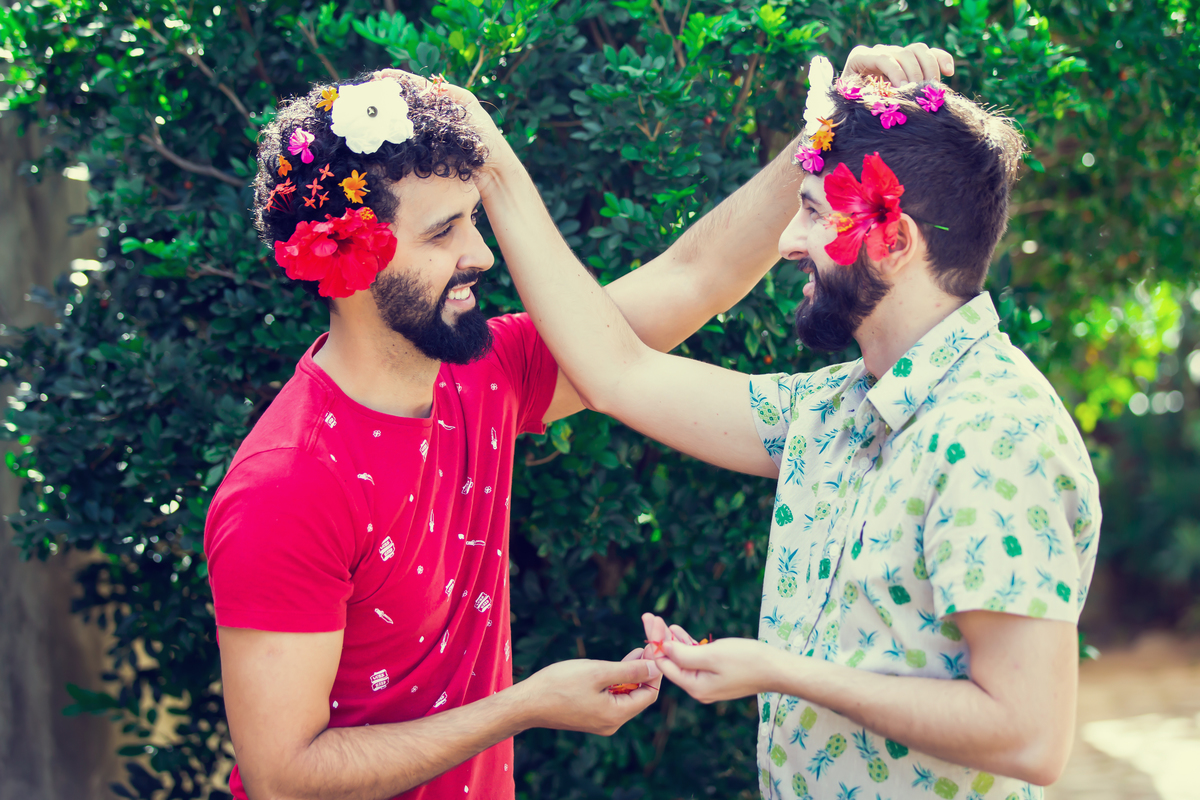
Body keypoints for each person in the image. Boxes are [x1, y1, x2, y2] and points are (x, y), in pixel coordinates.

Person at [203, 45, 946, 800]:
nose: (480, 254)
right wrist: (523, 708)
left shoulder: (482, 374)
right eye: (442, 234)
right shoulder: (289, 483)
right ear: (349, 260)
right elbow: (282, 778)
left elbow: (694, 279)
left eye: (474, 220)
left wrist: (832, 121)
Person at [464, 53, 1098, 800]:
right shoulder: (833, 409)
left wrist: (779, 671)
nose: (789, 243)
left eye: (813, 213)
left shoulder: (996, 436)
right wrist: (494, 166)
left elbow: (1030, 735)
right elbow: (618, 373)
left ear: (893, 243)